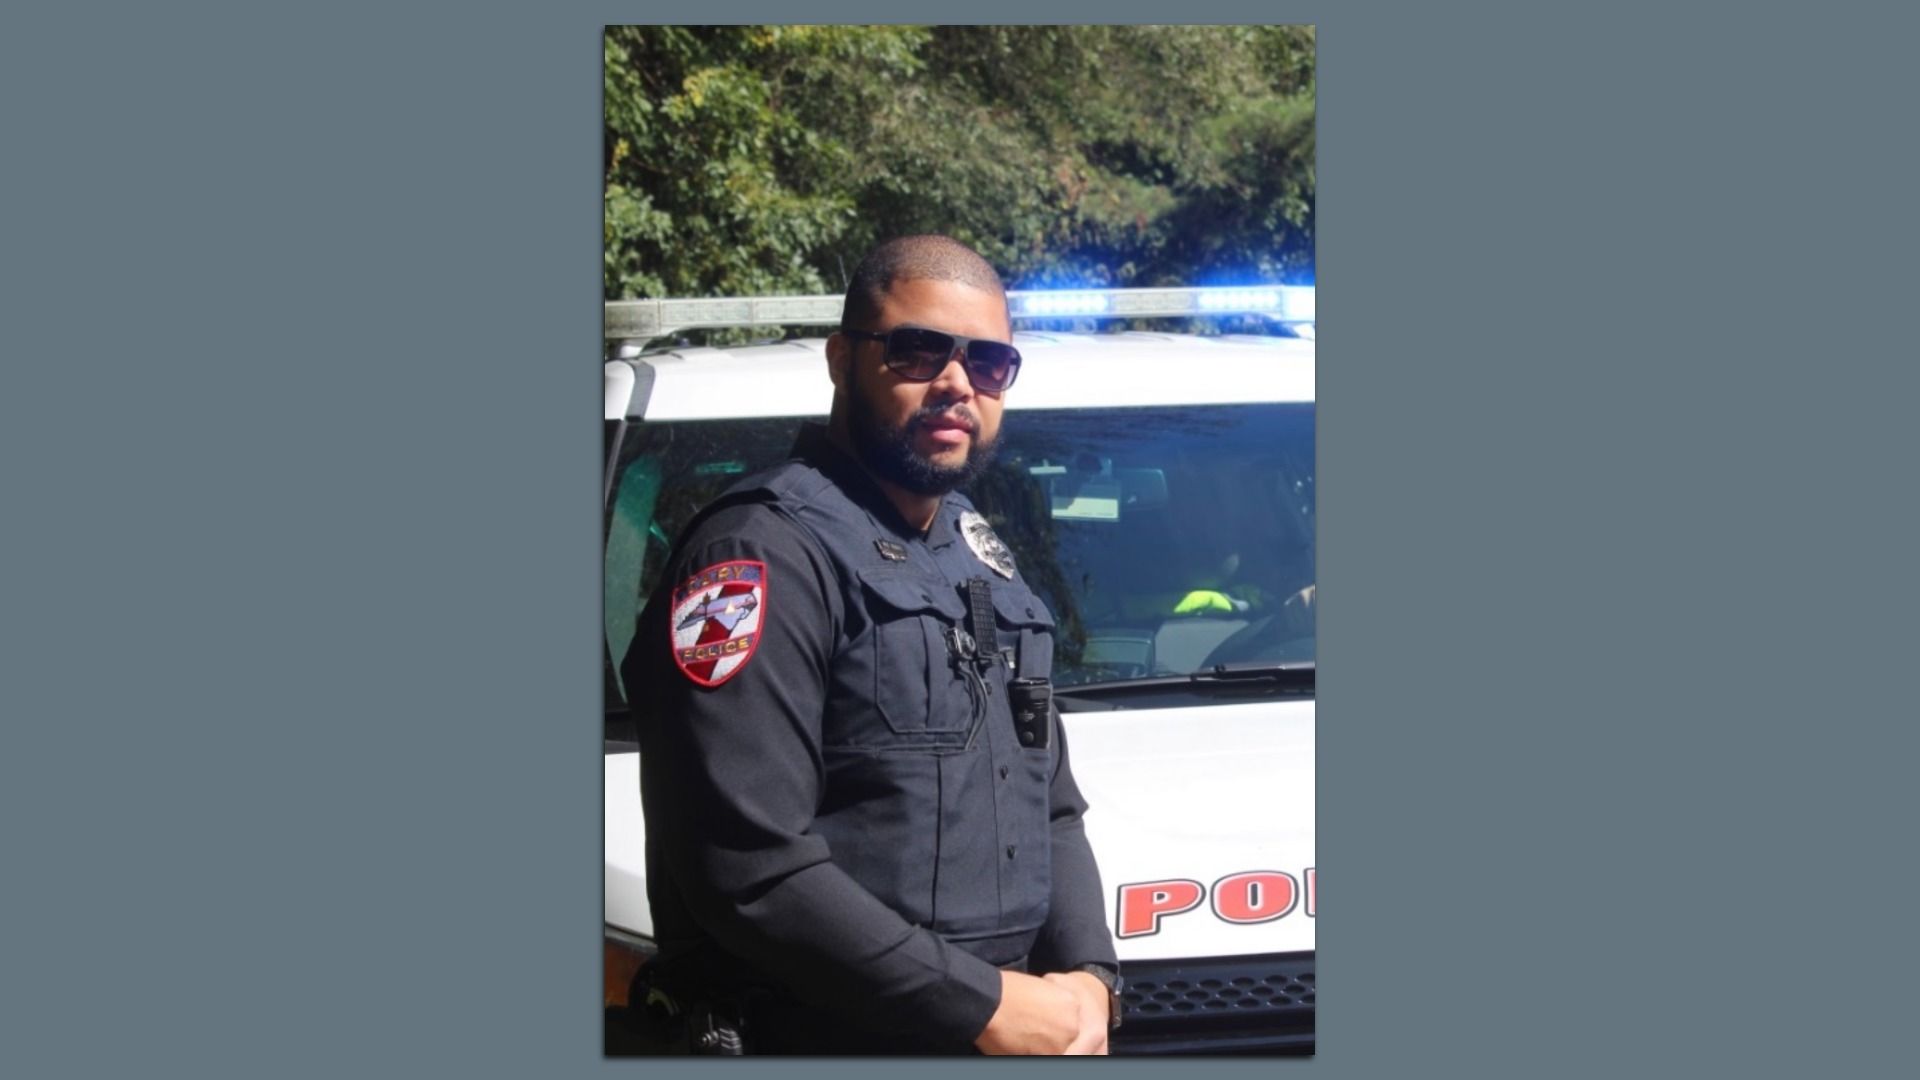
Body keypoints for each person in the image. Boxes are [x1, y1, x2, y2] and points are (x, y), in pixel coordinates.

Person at [620, 235, 1121, 1055]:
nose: (957, 383)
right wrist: (986, 1005)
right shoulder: (756, 558)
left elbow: (1051, 803)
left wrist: (1090, 979)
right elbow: (751, 870)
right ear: (839, 359)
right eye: (918, 351)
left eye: (990, 363)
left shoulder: (974, 550)